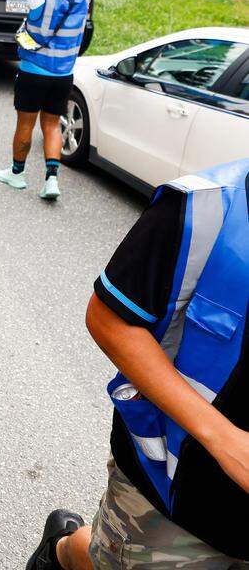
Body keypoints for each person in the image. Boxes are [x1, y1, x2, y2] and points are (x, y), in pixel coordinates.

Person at [25, 158, 249, 570]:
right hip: (174, 494)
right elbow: (107, 318)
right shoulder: (204, 207)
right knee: (105, 558)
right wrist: (225, 440)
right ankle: (62, 551)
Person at [0, 0, 92, 201]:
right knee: (51, 124)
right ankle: (51, 181)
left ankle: (17, 174)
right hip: (63, 75)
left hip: (34, 72)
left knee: (26, 123)